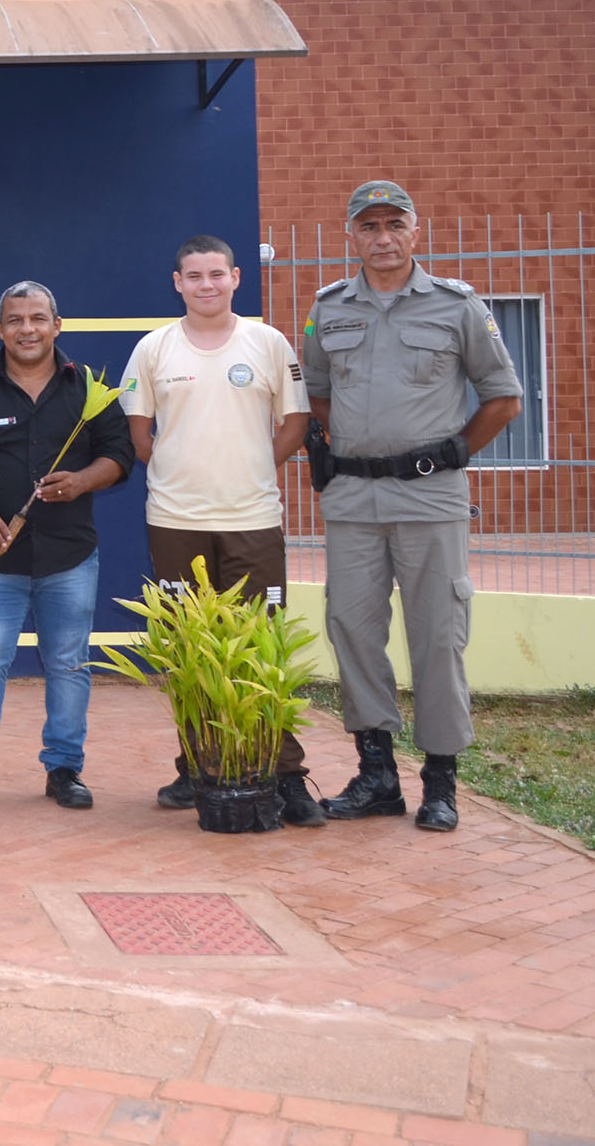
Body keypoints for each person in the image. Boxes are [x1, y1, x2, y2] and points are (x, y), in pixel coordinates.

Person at [304, 181, 522, 832]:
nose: (382, 238)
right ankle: (376, 776)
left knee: (436, 634)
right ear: (351, 237)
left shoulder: (457, 307)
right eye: (368, 227)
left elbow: (503, 397)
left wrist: (449, 453)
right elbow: (317, 393)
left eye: (394, 225)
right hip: (352, 497)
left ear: (415, 231)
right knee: (353, 629)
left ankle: (439, 781)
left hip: (430, 497)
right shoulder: (328, 309)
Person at [122, 234, 318, 825]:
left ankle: (284, 774)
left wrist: (253, 465)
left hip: (252, 520)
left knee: (264, 651)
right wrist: (186, 474)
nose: (206, 285)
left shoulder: (268, 342)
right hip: (176, 522)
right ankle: (198, 766)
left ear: (236, 278)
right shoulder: (153, 349)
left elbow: (297, 421)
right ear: (177, 283)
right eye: (194, 276)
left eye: (217, 274)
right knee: (188, 651)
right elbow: (140, 437)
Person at [0, 282, 134, 811]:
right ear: (1, 328)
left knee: (67, 663)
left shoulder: (87, 388)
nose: (27, 329)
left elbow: (120, 455)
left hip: (69, 556)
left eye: (38, 318)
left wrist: (84, 481)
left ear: (56, 325)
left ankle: (64, 769)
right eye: (15, 319)